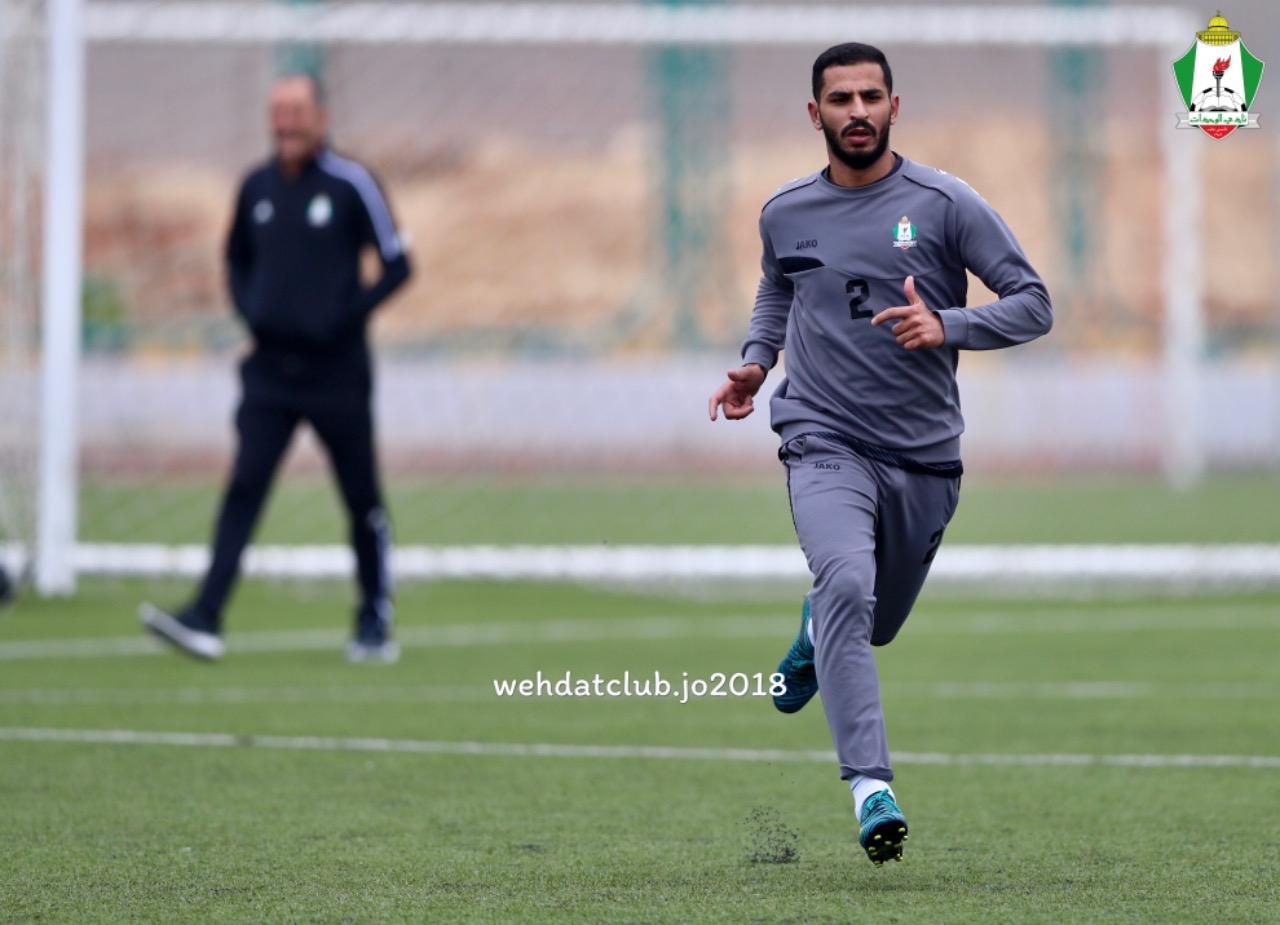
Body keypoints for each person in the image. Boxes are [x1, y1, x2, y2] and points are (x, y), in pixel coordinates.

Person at [708, 43, 1052, 866]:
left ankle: (814, 629)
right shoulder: (785, 210)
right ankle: (871, 787)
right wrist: (757, 359)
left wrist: (949, 324)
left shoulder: (945, 204)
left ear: (895, 106)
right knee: (846, 584)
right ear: (815, 113)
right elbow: (779, 283)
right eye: (840, 99)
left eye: (871, 96)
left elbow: (1034, 303)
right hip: (822, 437)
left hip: (924, 458)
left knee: (872, 623)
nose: (856, 111)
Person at [142, 73, 411, 664]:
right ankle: (206, 615)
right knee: (245, 485)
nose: (286, 122)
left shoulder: (352, 183)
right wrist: (254, 310)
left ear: (321, 117)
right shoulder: (256, 187)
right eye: (278, 111)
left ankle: (374, 616)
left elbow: (399, 265)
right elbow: (235, 260)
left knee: (360, 495)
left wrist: (342, 316)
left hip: (337, 373)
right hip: (269, 373)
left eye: (297, 111)